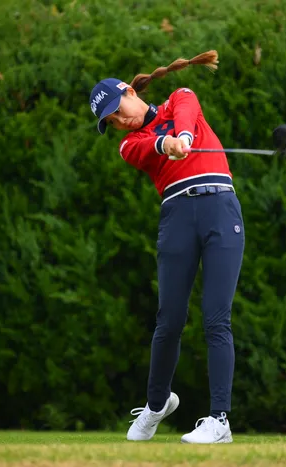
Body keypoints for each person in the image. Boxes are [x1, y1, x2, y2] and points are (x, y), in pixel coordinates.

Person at [89, 50, 244, 444]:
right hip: (178, 217)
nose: (119, 120)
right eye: (111, 121)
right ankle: (157, 405)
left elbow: (187, 109)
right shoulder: (129, 144)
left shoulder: (180, 97)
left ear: (129, 91)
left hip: (220, 209)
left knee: (217, 318)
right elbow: (147, 149)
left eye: (117, 110)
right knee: (169, 319)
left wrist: (184, 138)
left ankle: (219, 421)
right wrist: (167, 144)